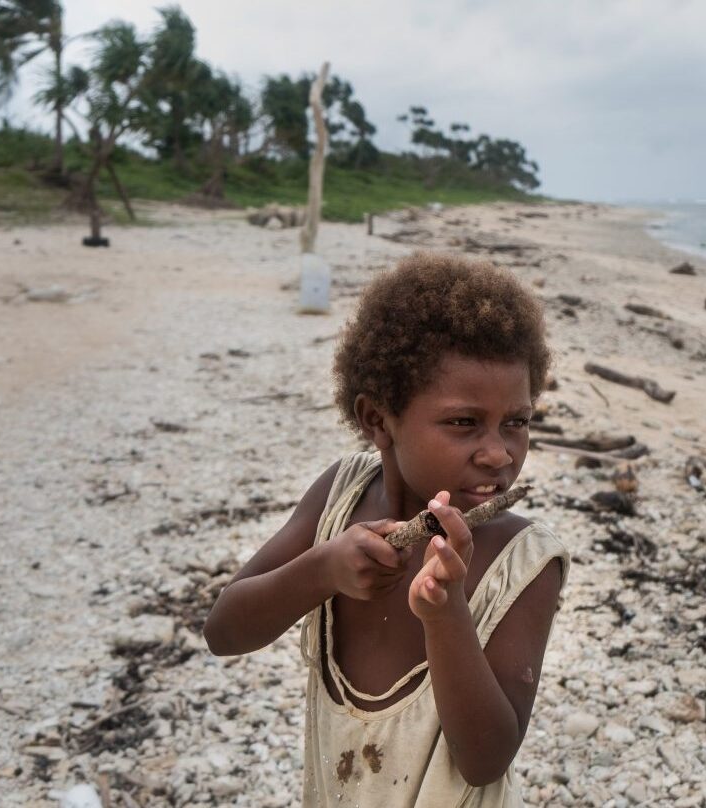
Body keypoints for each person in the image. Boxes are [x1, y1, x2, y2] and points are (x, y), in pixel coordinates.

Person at [204, 252, 570, 807]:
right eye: (464, 423)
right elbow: (224, 632)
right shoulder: (341, 496)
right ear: (378, 419)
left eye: (516, 422)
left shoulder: (523, 563)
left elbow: (485, 759)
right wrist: (321, 568)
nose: (499, 453)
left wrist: (446, 613)